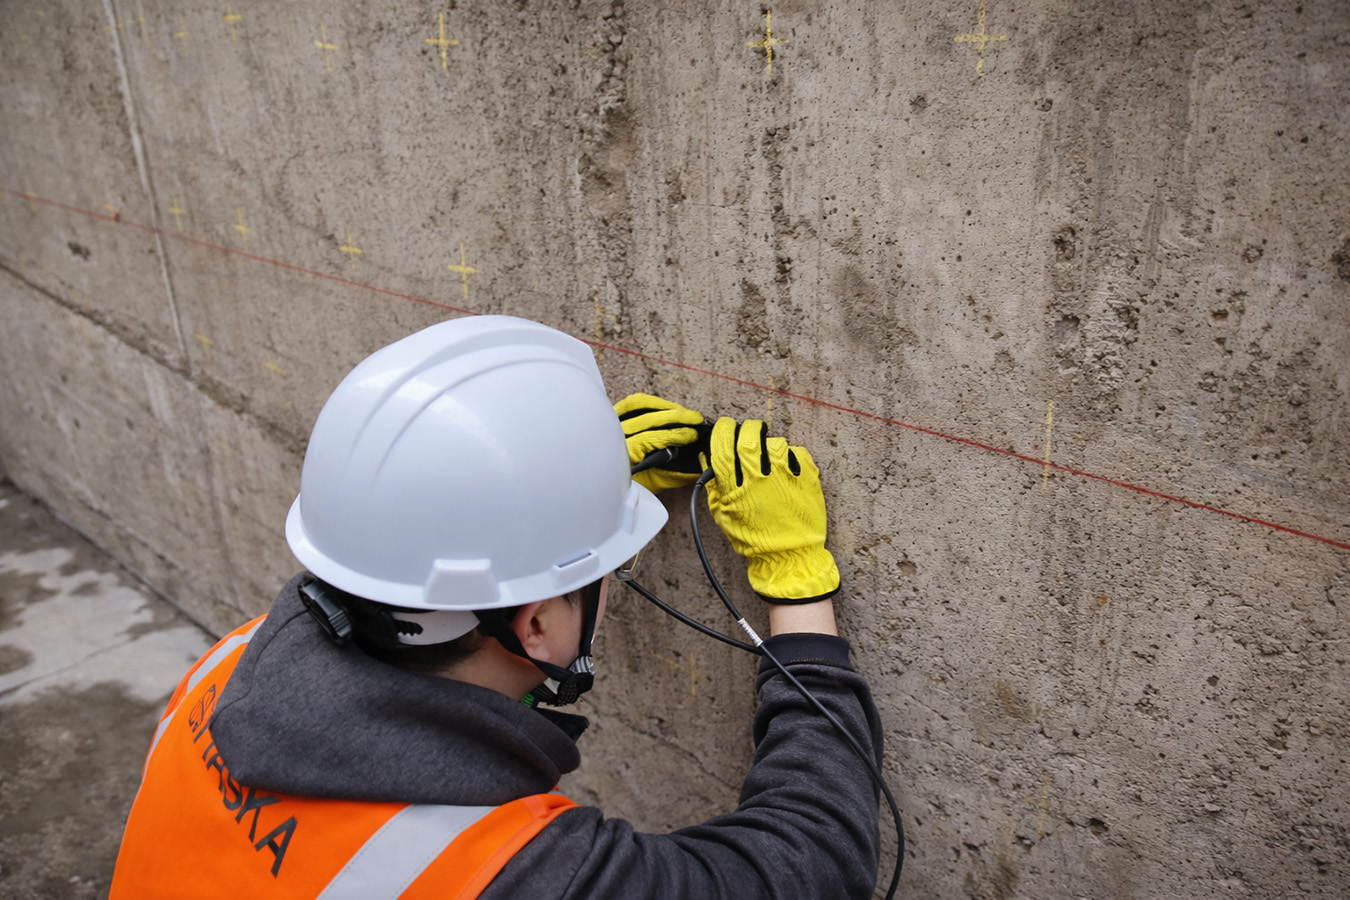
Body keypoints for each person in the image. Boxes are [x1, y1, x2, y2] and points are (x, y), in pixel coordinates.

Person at [110, 315, 883, 899]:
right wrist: (798, 586)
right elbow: (803, 864)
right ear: (540, 625)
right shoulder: (502, 873)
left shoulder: (231, 666)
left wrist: (553, 515)